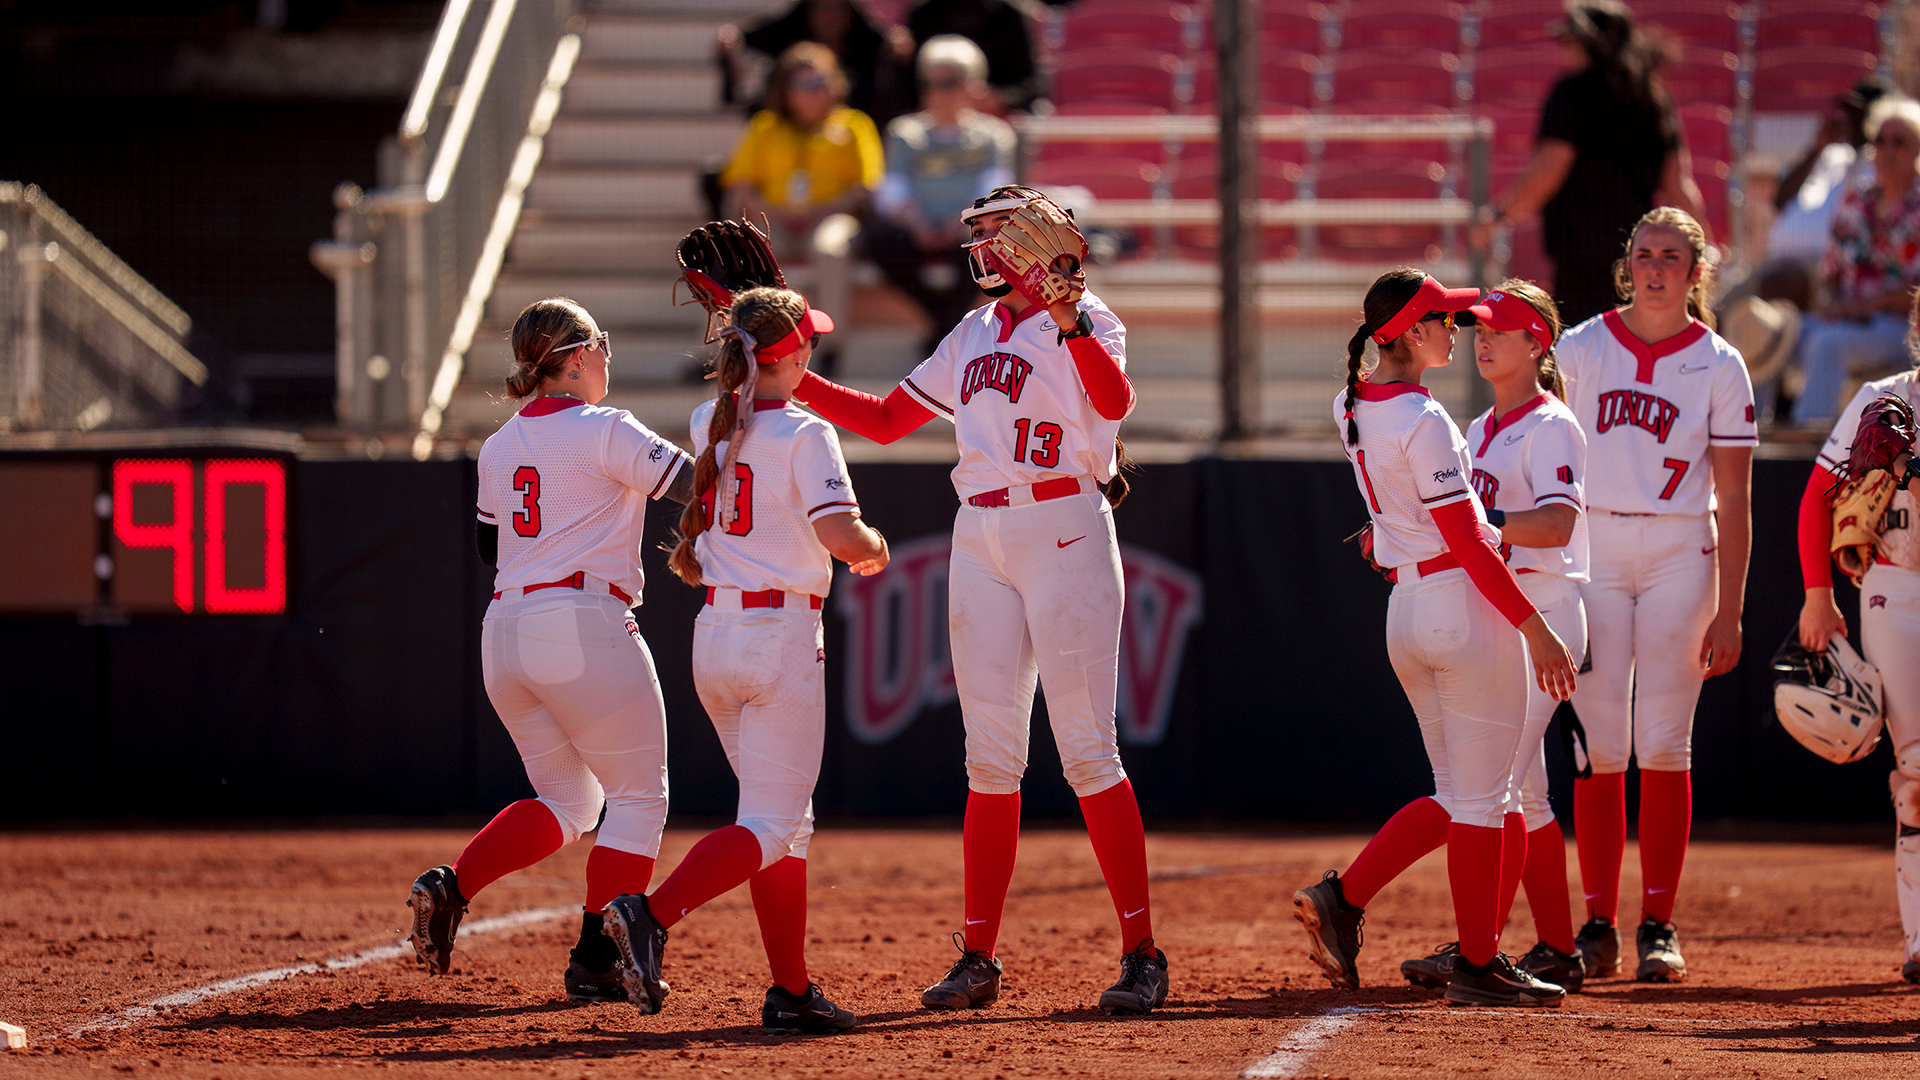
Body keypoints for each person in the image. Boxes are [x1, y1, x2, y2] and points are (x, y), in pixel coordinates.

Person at [777, 184, 1167, 1016]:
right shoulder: (974, 328)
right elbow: (888, 420)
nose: (984, 250)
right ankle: (979, 956)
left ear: (1040, 242)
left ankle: (1142, 953)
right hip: (980, 529)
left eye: (998, 234)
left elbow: (1113, 402)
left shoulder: (1091, 319)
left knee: (1088, 753)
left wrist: (1067, 313)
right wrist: (792, 377)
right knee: (989, 759)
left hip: (1064, 522)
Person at [600, 288, 887, 1032]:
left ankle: (790, 991)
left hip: (717, 634)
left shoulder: (710, 418)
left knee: (782, 826)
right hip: (777, 638)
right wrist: (875, 547)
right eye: (806, 342)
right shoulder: (807, 431)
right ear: (790, 355)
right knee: (771, 825)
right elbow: (841, 535)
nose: (813, 349)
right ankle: (649, 915)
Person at [1290, 269, 1578, 1009]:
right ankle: (1478, 963)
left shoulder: (1350, 403)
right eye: (1444, 321)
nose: (1456, 332)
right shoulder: (1427, 418)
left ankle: (1364, 906)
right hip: (1460, 608)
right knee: (1483, 801)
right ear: (1413, 333)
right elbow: (1470, 540)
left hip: (1408, 610)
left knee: (1462, 795)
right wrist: (1535, 627)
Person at [406, 299, 696, 1003]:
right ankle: (596, 957)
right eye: (600, 344)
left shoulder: (499, 443)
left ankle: (453, 886)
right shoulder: (605, 427)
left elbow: (489, 545)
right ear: (575, 357)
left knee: (570, 802)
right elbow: (698, 484)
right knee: (639, 798)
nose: (606, 356)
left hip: (506, 628)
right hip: (582, 619)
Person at [1554, 207, 1755, 984]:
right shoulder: (1581, 347)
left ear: (1696, 272)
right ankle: (1598, 923)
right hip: (1595, 545)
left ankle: (1659, 925)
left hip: (1681, 548)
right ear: (1627, 264)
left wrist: (1731, 609)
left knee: (1667, 743)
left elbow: (1736, 499)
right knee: (1601, 744)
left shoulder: (1719, 363)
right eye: (1644, 254)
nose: (1655, 268)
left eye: (1672, 257)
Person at [1394, 280, 1592, 994]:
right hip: (1502, 612)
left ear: (1537, 344)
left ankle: (1478, 952)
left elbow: (1558, 525)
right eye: (1477, 329)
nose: (1482, 340)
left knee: (1497, 787)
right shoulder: (1478, 429)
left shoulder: (1552, 424)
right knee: (1524, 792)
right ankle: (1554, 947)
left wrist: (1481, 526)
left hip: (1545, 609)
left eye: (1499, 331)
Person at [1795, 291, 1920, 984]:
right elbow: (1817, 497)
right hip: (1896, 589)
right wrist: (1818, 595)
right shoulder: (1883, 398)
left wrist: (1907, 469)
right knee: (1917, 771)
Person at [1469, 0, 1706, 328]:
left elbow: (1549, 169)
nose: (1565, 49)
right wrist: (1702, 246)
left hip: (1581, 258)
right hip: (1638, 256)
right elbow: (1678, 183)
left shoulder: (1572, 92)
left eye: (1571, 40)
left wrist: (1499, 215)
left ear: (1589, 44)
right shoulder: (1652, 98)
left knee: (1580, 349)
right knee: (1631, 345)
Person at [718, 42, 883, 367]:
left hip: (831, 218)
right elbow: (739, 184)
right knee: (742, 253)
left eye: (822, 82)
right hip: (774, 220)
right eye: (805, 85)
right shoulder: (765, 126)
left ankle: (829, 349)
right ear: (787, 91)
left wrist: (818, 212)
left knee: (830, 249)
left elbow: (866, 187)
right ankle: (726, 349)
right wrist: (774, 213)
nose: (816, 92)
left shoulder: (855, 124)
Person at [866, 35, 1016, 354]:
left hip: (968, 230)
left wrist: (959, 223)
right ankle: (947, 325)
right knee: (879, 239)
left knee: (989, 246)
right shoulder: (904, 133)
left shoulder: (993, 136)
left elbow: (995, 191)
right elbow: (891, 190)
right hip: (914, 231)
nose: (938, 91)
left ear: (973, 85)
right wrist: (917, 223)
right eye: (930, 82)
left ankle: (941, 334)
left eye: (949, 82)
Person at [1790, 96, 1920, 427]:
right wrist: (1834, 304)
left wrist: (1864, 307)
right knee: (1775, 334)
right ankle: (1752, 442)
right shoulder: (1854, 203)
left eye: (1899, 142)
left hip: (1902, 330)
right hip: (1849, 321)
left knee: (1828, 344)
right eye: (1880, 140)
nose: (1887, 150)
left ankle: (1806, 443)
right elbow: (1831, 274)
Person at [719, 0, 915, 129]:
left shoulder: (856, 132)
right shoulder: (767, 131)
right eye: (804, 84)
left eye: (821, 83)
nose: (830, 17)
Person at [908, 0, 1046, 114]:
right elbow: (908, 84)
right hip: (931, 128)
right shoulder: (924, 15)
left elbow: (1032, 85)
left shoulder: (1008, 15)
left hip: (995, 123)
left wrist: (1001, 99)